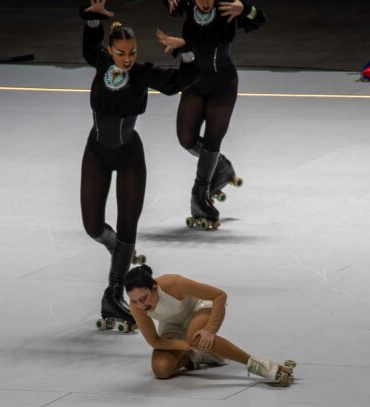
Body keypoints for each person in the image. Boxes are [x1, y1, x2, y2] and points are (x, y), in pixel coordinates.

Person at [80, 0, 199, 332]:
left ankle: (113, 293)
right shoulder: (100, 62)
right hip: (96, 153)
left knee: (128, 225)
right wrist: (91, 17)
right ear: (111, 50)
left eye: (132, 52)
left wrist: (186, 49)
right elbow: (89, 44)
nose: (128, 58)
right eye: (121, 53)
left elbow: (180, 81)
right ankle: (115, 248)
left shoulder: (143, 73)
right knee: (92, 226)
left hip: (130, 156)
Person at [157, 0, 267, 229]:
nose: (205, 2)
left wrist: (245, 9)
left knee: (212, 140)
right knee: (186, 139)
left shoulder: (227, 7)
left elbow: (259, 19)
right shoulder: (188, 5)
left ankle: (200, 198)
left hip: (222, 85)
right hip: (194, 82)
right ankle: (222, 167)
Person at [125, 264, 295, 385]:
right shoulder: (137, 306)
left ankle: (261, 366)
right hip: (172, 325)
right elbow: (154, 341)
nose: (140, 305)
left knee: (197, 338)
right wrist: (182, 346)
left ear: (154, 287)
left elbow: (220, 296)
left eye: (143, 298)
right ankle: (198, 355)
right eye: (135, 301)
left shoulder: (174, 283)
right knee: (161, 369)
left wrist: (210, 330)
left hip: (200, 309)